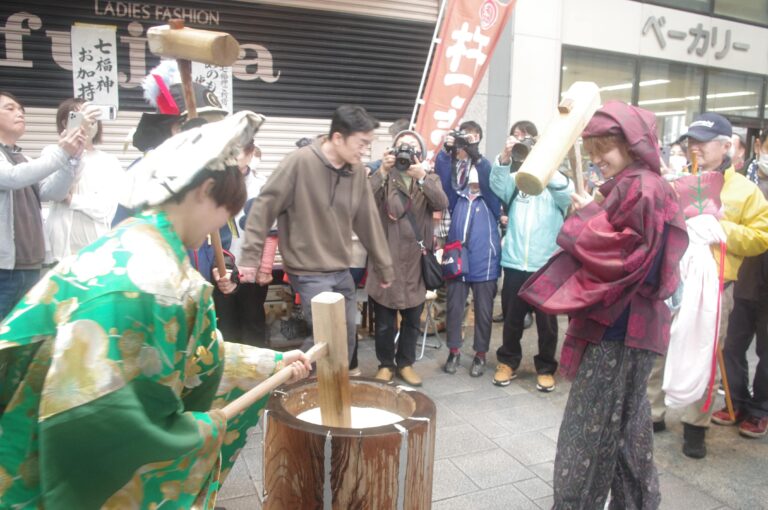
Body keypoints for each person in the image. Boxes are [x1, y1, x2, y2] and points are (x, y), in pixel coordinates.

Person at [0, 111, 312, 509]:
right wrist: (199, 429)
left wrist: (271, 363)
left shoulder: (134, 246)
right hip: (46, 474)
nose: (226, 220)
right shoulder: (151, 280)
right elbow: (101, 418)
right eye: (227, 208)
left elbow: (189, 354)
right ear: (205, 190)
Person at [518, 101, 688, 508]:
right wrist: (593, 215)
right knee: (627, 431)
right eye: (592, 152)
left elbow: (630, 260)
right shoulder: (639, 185)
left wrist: (588, 218)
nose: (597, 161)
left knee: (588, 435)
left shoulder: (643, 187)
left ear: (632, 144)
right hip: (629, 330)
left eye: (603, 151)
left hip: (620, 330)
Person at [647, 113, 768, 458]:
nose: (694, 147)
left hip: (718, 286)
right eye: (692, 141)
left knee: (706, 355)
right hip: (672, 279)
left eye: (703, 141)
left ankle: (695, 426)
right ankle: (653, 411)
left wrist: (722, 226)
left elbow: (762, 238)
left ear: (726, 145)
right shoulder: (676, 182)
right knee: (659, 347)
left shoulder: (746, 191)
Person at [239, 105, 394, 365]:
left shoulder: (355, 171)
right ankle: (291, 380)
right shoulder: (299, 161)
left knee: (345, 339)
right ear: (337, 137)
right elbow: (264, 207)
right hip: (308, 269)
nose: (364, 150)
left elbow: (367, 219)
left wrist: (385, 266)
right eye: (362, 143)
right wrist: (250, 257)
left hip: (341, 269)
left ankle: (323, 391)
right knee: (327, 338)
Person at [489, 121, 573, 391]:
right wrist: (505, 158)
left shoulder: (556, 188)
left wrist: (546, 165)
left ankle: (546, 367)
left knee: (547, 323)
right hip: (514, 263)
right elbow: (496, 182)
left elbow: (568, 194)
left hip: (546, 265)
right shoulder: (516, 183)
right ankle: (508, 362)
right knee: (513, 318)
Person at [368, 130, 448, 386]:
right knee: (384, 322)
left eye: (412, 147)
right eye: (402, 146)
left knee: (413, 320)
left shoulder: (429, 178)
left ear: (420, 155)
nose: (406, 151)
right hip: (386, 260)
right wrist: (381, 171)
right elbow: (363, 201)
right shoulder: (384, 178)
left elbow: (441, 203)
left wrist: (422, 177)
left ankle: (406, 364)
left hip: (415, 262)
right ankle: (385, 365)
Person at [0, 90, 87, 320]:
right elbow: (12, 177)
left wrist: (72, 159)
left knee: (18, 346)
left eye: (21, 110)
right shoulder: (16, 165)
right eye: (10, 108)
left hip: (30, 266)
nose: (19, 113)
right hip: (3, 270)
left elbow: (52, 192)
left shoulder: (23, 158)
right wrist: (62, 152)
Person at [712, 129, 768, 438]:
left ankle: (760, 409)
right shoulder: (741, 182)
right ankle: (735, 401)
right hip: (742, 278)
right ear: (759, 145)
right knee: (732, 346)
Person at [435, 120, 502, 377]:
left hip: (485, 258)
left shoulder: (490, 194)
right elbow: (442, 182)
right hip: (457, 256)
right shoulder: (457, 191)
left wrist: (478, 157)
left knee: (484, 311)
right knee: (454, 307)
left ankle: (480, 355)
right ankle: (453, 352)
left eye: (474, 137)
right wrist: (447, 152)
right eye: (466, 137)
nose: (468, 142)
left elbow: (489, 181)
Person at [44, 98, 123, 264]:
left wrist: (72, 200)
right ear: (66, 122)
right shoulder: (52, 153)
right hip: (59, 252)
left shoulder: (109, 161)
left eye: (92, 119)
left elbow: (105, 210)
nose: (87, 124)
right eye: (81, 118)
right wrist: (72, 149)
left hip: (96, 251)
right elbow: (53, 191)